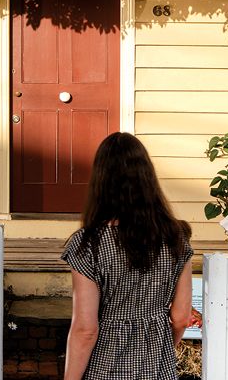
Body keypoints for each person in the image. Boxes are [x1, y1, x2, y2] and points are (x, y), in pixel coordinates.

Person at [61, 132, 194, 380]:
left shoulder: (89, 244)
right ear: (148, 179)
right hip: (157, 368)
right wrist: (162, 350)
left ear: (100, 181)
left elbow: (85, 330)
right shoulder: (176, 238)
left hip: (106, 367)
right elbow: (181, 318)